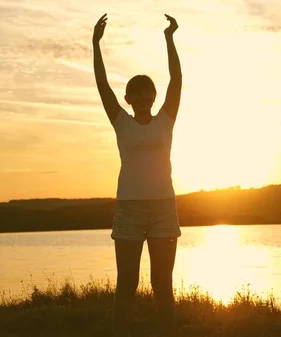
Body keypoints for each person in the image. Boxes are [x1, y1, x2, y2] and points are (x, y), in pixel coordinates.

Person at [92, 13, 182, 337]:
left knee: (163, 286)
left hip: (163, 210)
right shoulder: (121, 122)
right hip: (129, 211)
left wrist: (170, 38)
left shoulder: (165, 121)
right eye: (136, 95)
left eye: (148, 94)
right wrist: (95, 45)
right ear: (128, 99)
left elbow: (176, 81)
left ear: (153, 98)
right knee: (126, 286)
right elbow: (102, 86)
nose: (143, 99)